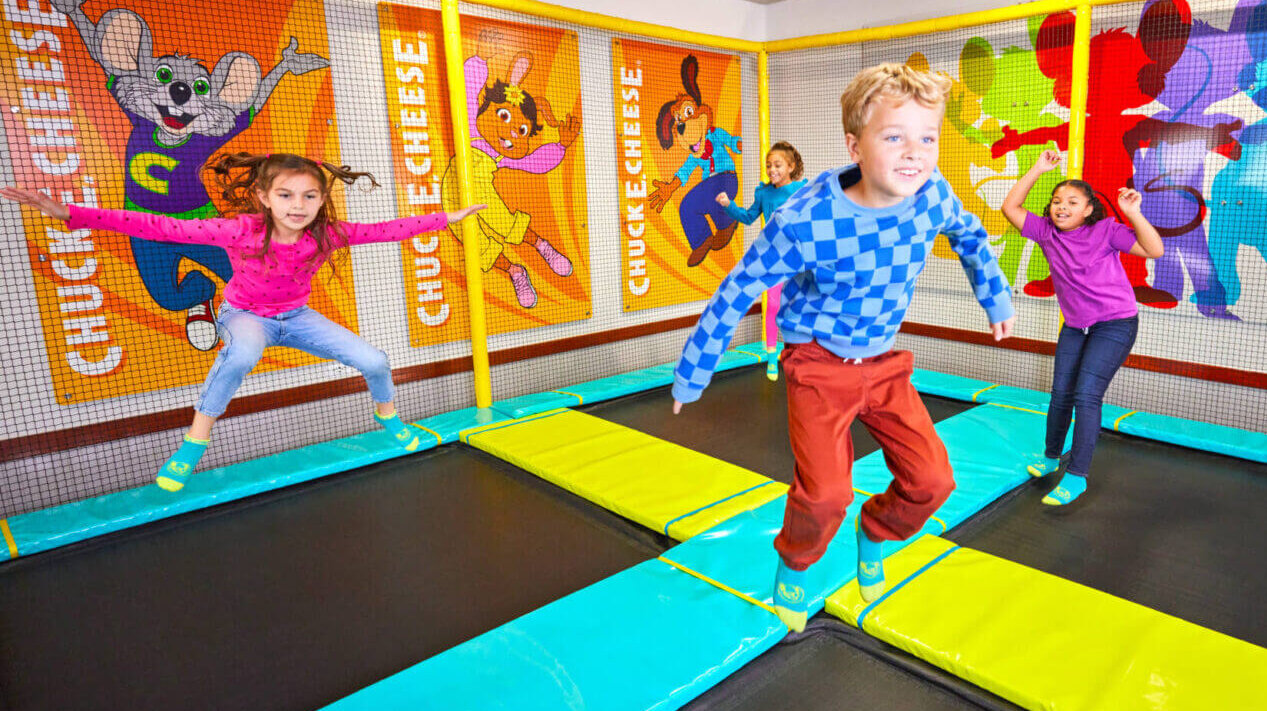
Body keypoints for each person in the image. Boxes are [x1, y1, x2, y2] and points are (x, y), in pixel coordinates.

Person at [672, 64, 1015, 633]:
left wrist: (995, 297)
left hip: (884, 365)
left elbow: (971, 234)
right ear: (855, 144)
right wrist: (693, 372)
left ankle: (875, 531)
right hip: (816, 366)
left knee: (933, 481)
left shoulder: (932, 194)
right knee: (827, 494)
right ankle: (795, 562)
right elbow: (738, 290)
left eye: (926, 138)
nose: (914, 154)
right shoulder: (804, 219)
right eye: (894, 137)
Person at [1, 152, 484, 492]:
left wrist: (448, 217)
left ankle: (387, 417)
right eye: (287, 194)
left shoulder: (326, 234)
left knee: (375, 359)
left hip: (296, 316)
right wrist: (72, 214)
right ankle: (193, 445)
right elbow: (160, 226)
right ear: (263, 196)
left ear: (321, 200)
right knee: (243, 355)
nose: (299, 205)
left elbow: (386, 231)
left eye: (310, 196)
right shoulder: (239, 230)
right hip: (246, 315)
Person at [1001, 149, 1163, 506]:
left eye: (1072, 202)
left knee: (1086, 394)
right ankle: (1049, 457)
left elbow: (1154, 250)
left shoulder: (1106, 231)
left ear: (1088, 209)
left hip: (1115, 324)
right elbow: (1010, 208)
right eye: (1057, 201)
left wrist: (1134, 213)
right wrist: (1038, 169)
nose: (1062, 206)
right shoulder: (1046, 232)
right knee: (1060, 393)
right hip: (1076, 326)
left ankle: (1077, 476)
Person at [715, 141, 808, 380]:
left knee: (800, 303)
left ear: (791, 166)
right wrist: (728, 205)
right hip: (773, 258)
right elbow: (747, 217)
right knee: (773, 305)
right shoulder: (764, 193)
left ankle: (802, 353)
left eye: (777, 165)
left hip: (797, 256)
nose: (771, 170)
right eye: (768, 165)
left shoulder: (800, 190)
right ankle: (771, 358)